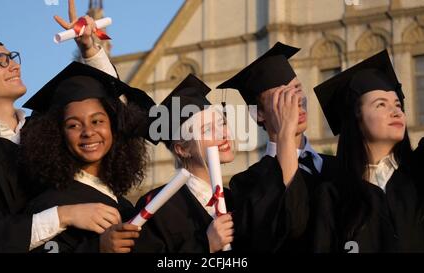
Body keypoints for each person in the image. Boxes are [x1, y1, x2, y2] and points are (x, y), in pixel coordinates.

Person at [0, 3, 119, 252]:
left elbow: (108, 113)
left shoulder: (44, 128)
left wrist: (88, 48)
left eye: (11, 57)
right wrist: (64, 215)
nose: (14, 65)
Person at [21, 61, 155, 253]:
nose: (88, 132)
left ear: (114, 126)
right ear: (57, 135)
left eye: (97, 121)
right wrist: (98, 248)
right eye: (74, 125)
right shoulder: (49, 205)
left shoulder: (123, 203)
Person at [216, 42, 337, 252]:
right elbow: (286, 230)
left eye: (297, 90)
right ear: (258, 114)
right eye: (283, 96)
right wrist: (285, 136)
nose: (296, 100)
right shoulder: (247, 184)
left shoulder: (337, 166)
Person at [312, 50, 424, 252]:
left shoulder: (420, 174)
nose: (396, 111)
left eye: (398, 104)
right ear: (356, 117)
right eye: (381, 104)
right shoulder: (332, 196)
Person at [133, 74, 234, 253]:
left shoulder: (237, 199)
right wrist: (205, 245)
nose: (223, 134)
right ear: (182, 149)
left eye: (222, 123)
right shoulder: (158, 207)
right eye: (208, 129)